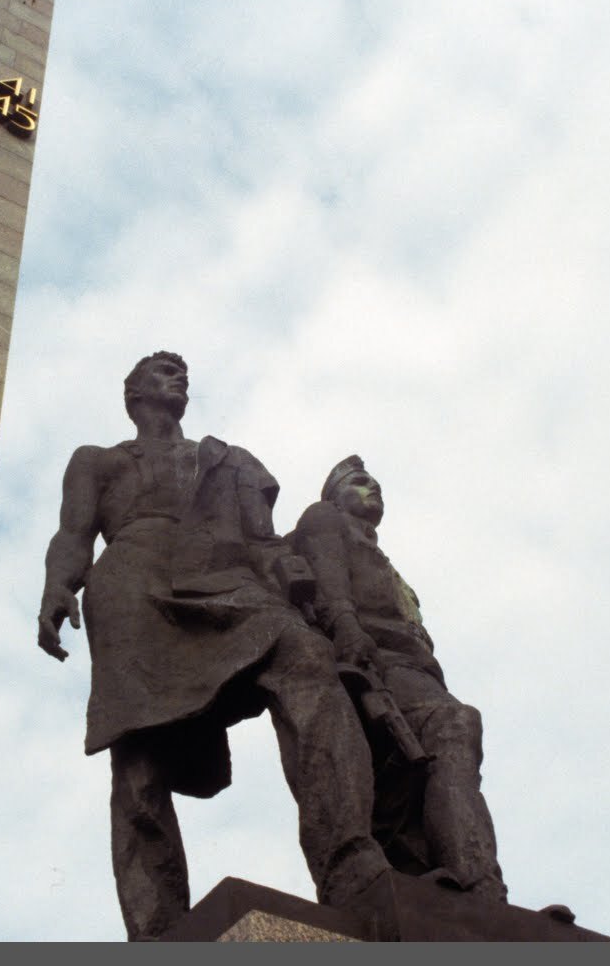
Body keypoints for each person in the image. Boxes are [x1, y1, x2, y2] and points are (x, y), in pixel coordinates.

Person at [37, 353, 391, 940]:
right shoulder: (98, 461)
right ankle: (156, 929)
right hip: (132, 585)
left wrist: (313, 598)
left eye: (181, 372)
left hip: (223, 576)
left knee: (303, 656)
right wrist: (58, 585)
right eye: (163, 370)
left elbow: (263, 539)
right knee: (139, 750)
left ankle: (350, 861)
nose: (179, 377)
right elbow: (73, 534)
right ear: (133, 393)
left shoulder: (223, 458)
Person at [288, 456, 508, 901]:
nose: (373, 488)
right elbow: (328, 582)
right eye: (360, 481)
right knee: (454, 725)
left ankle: (474, 886)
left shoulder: (386, 562)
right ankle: (481, 883)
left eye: (376, 483)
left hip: (418, 671)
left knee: (441, 754)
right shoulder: (325, 518)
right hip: (375, 659)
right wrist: (346, 629)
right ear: (335, 495)